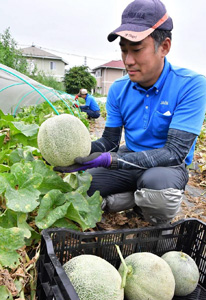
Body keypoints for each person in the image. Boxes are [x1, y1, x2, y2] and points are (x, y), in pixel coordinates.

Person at [54, 0, 206, 225]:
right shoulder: (118, 89)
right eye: (123, 51)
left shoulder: (191, 85)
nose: (128, 61)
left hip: (166, 169)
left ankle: (152, 219)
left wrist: (110, 161)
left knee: (158, 188)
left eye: (136, 50)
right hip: (129, 159)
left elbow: (174, 152)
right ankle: (130, 197)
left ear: (164, 47)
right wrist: (79, 151)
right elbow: (110, 142)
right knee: (83, 184)